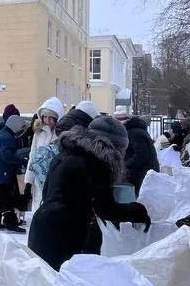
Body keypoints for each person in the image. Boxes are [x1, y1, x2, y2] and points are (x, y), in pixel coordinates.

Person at [28, 117, 151, 270]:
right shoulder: (97, 164)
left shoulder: (63, 156)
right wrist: (138, 210)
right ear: (114, 146)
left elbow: (48, 194)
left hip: (41, 225)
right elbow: (106, 209)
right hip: (65, 233)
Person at [0, 114, 29, 232]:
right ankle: (11, 223)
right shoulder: (7, 138)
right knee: (7, 200)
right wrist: (20, 160)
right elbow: (6, 155)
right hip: (2, 174)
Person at [23, 97, 65, 209]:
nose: (47, 120)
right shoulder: (38, 133)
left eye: (51, 117)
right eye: (44, 117)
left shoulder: (62, 134)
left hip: (56, 181)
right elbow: (33, 157)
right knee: (39, 210)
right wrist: (28, 182)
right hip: (39, 181)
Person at [123, 116, 160, 194]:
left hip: (141, 172)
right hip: (148, 170)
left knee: (139, 197)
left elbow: (141, 155)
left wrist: (125, 164)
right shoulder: (140, 131)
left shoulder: (133, 133)